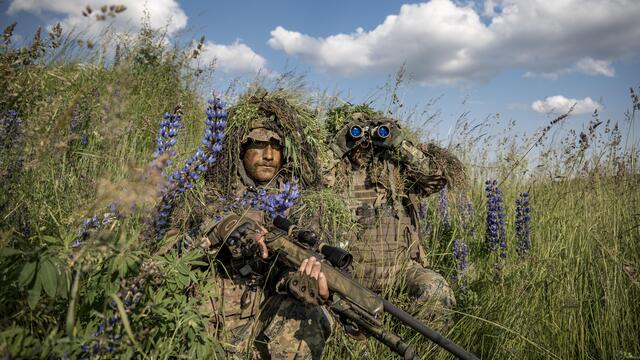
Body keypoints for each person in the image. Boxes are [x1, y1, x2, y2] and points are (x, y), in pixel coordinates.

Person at [170, 92, 333, 359]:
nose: (268, 155)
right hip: (213, 315)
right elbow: (173, 252)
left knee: (312, 316)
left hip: (265, 318)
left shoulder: (297, 202)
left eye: (276, 146)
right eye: (258, 144)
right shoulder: (207, 192)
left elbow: (290, 272)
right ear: (241, 150)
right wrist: (224, 230)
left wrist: (303, 284)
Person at [323, 109, 463, 328]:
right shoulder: (338, 173)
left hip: (400, 271)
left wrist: (398, 143)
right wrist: (337, 147)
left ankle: (427, 350)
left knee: (435, 288)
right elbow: (311, 177)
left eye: (372, 139)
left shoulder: (399, 173)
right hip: (350, 276)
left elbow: (436, 178)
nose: (364, 144)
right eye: (357, 137)